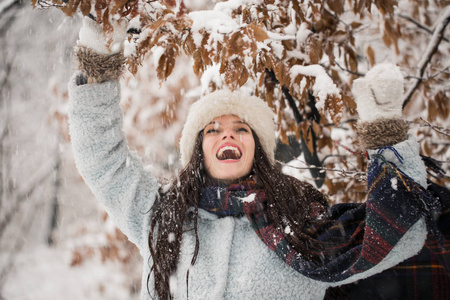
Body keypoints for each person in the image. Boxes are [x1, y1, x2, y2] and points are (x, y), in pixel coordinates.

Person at [68, 17, 449, 300]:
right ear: (199, 151)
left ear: (258, 152)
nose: (227, 134)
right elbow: (103, 163)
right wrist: (97, 70)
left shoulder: (302, 224)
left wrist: (387, 141)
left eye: (242, 128)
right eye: (213, 129)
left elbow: (398, 235)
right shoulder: (162, 217)